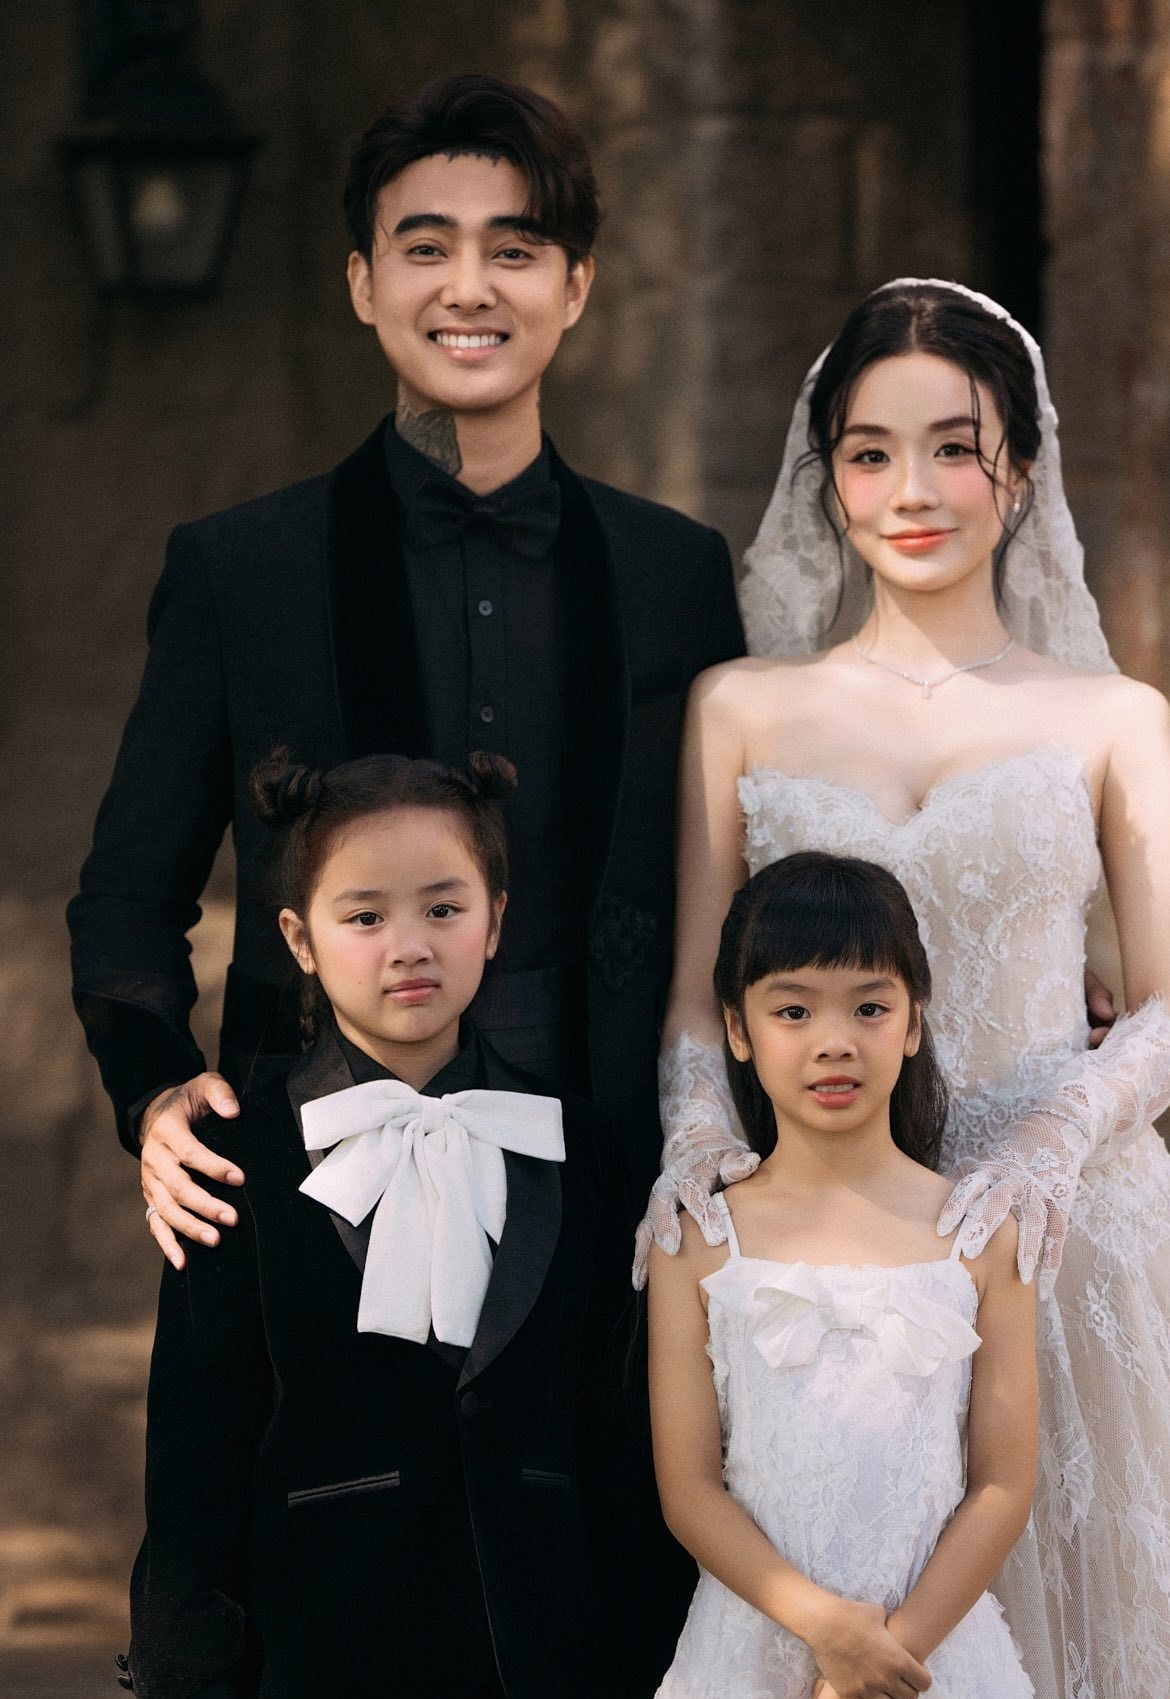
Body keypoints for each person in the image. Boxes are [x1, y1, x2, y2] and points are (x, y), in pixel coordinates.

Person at [637, 279, 1170, 1699]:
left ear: (1019, 471)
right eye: (869, 450)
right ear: (825, 476)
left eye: (952, 448)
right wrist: (693, 1146)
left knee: (1101, 1672)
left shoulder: (1112, 718)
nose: (911, 488)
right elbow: (693, 996)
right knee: (858, 1693)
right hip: (836, 1256)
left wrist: (1047, 1141)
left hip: (1066, 1227)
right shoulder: (740, 706)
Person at [67, 72, 745, 1260]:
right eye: (426, 247)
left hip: (608, 1198)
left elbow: (752, 873)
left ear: (575, 285)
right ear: (362, 282)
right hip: (301, 1189)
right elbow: (129, 894)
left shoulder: (674, 572)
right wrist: (156, 1085)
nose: (468, 287)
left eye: (514, 250)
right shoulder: (241, 568)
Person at [125, 749, 676, 1699]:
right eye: (364, 916)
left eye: (443, 906)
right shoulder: (235, 1156)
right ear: (299, 939)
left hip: (547, 1666)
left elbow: (618, 1420)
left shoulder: (585, 1148)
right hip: (328, 1657)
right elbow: (198, 1420)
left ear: (496, 920)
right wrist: (191, 1677)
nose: (409, 944)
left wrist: (656, 1660)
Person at [559, 853, 1148, 1699]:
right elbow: (688, 1484)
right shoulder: (698, 1238)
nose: (834, 1040)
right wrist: (824, 1625)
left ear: (914, 1022)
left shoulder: (981, 1231)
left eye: (868, 1007)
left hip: (931, 1672)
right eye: (794, 1010)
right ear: (738, 1031)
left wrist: (889, 1650)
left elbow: (1002, 1481)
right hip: (749, 1667)